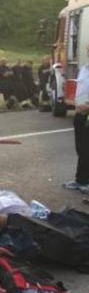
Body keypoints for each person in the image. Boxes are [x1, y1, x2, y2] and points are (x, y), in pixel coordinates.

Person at [64, 46, 89, 193]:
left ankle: (85, 181)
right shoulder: (85, 68)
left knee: (87, 149)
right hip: (80, 114)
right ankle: (80, 180)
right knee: (81, 149)